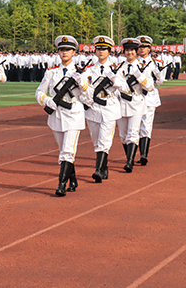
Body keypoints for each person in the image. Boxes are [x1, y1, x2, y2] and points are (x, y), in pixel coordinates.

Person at [35, 35, 88, 197]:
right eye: (62, 49)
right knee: (64, 150)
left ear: (74, 52)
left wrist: (82, 84)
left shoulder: (81, 72)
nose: (64, 52)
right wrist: (47, 100)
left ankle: (61, 184)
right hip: (57, 115)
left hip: (74, 114)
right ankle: (73, 180)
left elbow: (89, 99)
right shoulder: (51, 72)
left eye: (68, 50)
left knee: (67, 151)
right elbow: (39, 92)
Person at [80, 36, 127, 182]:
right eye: (99, 49)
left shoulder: (116, 69)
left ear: (109, 51)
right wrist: (87, 100)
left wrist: (115, 80)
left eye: (104, 49)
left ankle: (98, 170)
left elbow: (125, 88)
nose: (101, 51)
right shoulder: (88, 70)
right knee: (96, 140)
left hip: (109, 107)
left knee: (104, 140)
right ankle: (104, 166)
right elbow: (82, 89)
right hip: (93, 107)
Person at [115, 38, 154, 173]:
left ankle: (129, 161)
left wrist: (139, 76)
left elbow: (150, 86)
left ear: (136, 51)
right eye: (127, 50)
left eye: (132, 50)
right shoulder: (119, 67)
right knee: (123, 134)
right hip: (121, 103)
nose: (129, 52)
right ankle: (129, 156)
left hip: (137, 102)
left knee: (133, 133)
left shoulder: (143, 67)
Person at [136, 35, 165, 166]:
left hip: (149, 98)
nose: (142, 49)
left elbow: (160, 82)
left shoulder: (155, 63)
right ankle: (132, 154)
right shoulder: (132, 63)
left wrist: (157, 74)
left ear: (149, 49)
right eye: (140, 47)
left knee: (146, 126)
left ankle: (143, 155)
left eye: (145, 47)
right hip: (135, 98)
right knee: (134, 127)